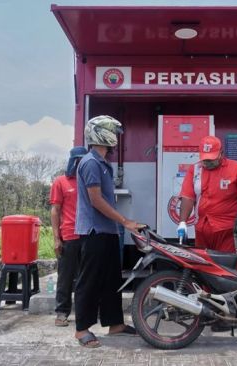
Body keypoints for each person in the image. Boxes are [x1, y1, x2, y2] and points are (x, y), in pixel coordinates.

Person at [73, 115, 144, 348]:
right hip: (94, 231)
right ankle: (82, 329)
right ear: (100, 134)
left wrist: (118, 224)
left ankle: (115, 324)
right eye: (111, 131)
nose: (115, 137)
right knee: (90, 280)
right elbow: (96, 200)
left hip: (108, 231)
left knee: (113, 279)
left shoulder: (104, 163)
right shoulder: (90, 162)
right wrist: (125, 221)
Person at [178, 135, 237, 267]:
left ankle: (232, 289)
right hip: (202, 230)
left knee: (229, 270)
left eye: (211, 159)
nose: (207, 163)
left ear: (221, 153)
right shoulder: (194, 170)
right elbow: (188, 197)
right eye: (205, 159)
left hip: (228, 231)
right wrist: (182, 222)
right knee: (204, 269)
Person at [49, 146, 87, 327]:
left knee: (86, 277)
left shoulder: (89, 181)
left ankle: (84, 313)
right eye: (78, 159)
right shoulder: (61, 182)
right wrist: (56, 238)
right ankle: (62, 313)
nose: (81, 162)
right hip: (69, 236)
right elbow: (55, 211)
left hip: (88, 236)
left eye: (84, 159)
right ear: (73, 160)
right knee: (65, 277)